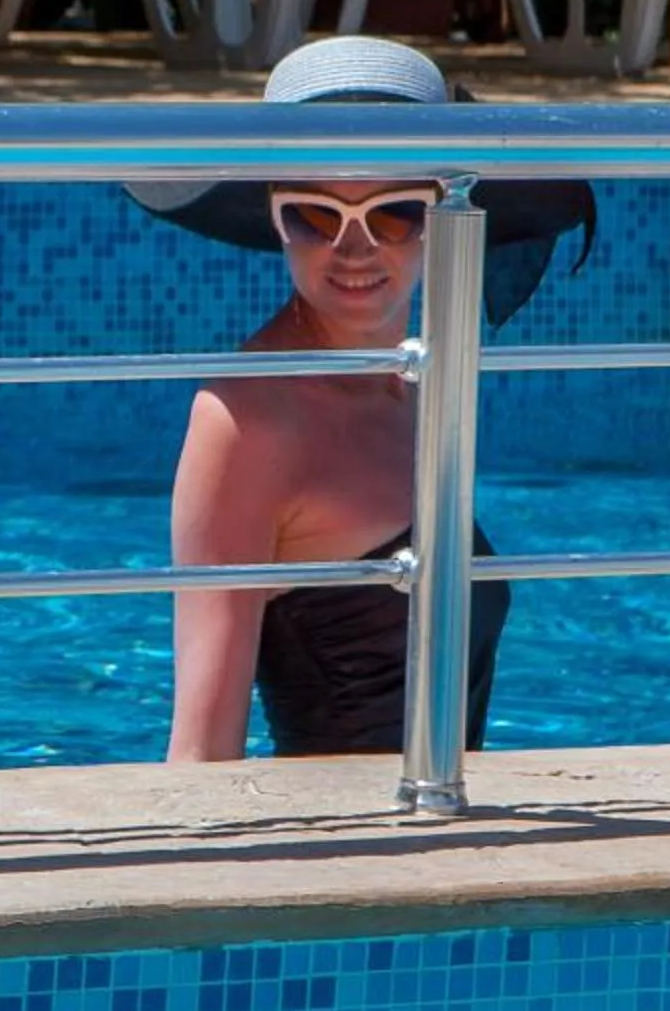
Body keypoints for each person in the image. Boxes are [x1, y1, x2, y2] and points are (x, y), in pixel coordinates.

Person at [127, 37, 592, 762]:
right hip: (349, 831)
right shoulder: (246, 422)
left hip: (451, 817)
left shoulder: (415, 378)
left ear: (444, 214)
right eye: (315, 215)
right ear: (274, 217)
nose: (354, 249)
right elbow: (203, 749)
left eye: (395, 212)